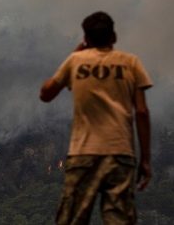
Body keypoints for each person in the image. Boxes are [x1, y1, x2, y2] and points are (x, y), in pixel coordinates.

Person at [39, 12, 152, 224]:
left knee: (71, 219)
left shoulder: (75, 61)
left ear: (87, 39)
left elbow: (46, 94)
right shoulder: (131, 63)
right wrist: (145, 159)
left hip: (83, 153)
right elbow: (142, 112)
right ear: (114, 37)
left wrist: (76, 53)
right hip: (120, 153)